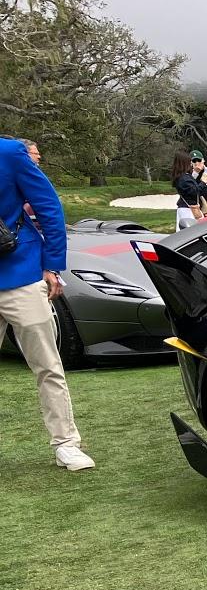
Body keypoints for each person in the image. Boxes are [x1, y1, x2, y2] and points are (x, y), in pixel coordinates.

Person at [0, 136, 93, 470]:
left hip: (21, 272)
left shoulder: (9, 153)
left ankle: (67, 444)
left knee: (47, 365)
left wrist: (52, 265)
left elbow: (49, 205)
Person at [171, 152, 207, 230]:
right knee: (190, 233)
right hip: (187, 211)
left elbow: (197, 190)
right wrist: (203, 182)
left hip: (189, 209)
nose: (191, 164)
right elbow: (194, 191)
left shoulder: (183, 176)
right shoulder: (184, 178)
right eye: (190, 162)